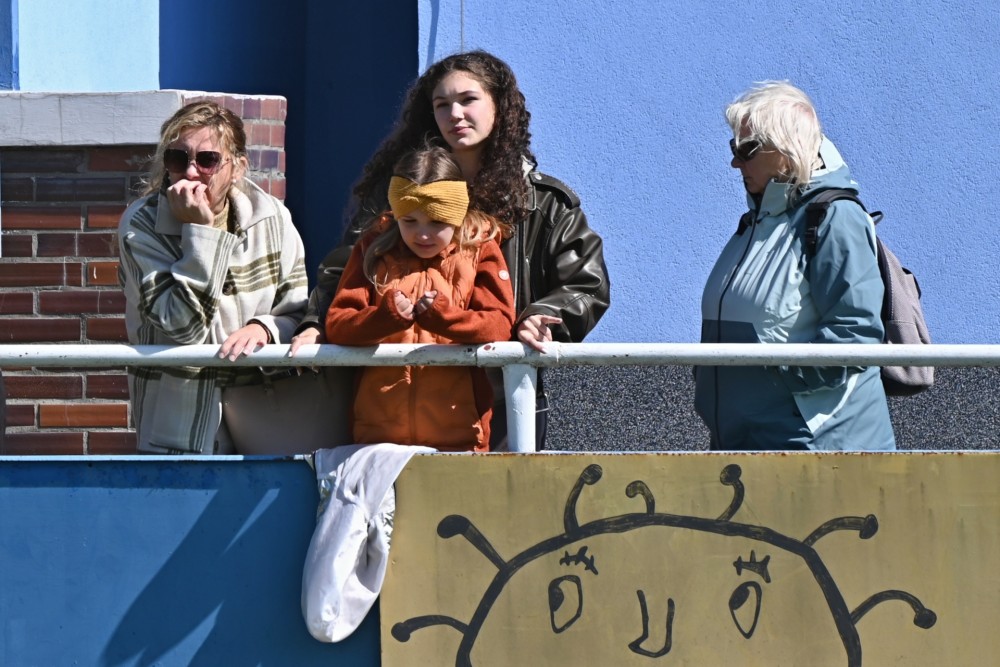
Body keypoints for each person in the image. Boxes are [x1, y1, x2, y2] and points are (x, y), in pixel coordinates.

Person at [291, 50, 611, 449]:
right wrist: (314, 322)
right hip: (391, 403)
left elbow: (587, 283)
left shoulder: (543, 202)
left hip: (505, 394)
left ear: (499, 106)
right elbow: (342, 272)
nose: (455, 114)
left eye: (468, 99)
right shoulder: (398, 192)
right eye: (442, 104)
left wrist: (543, 315)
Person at [694, 81, 895, 451]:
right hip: (751, 439)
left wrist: (777, 381)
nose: (735, 161)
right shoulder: (758, 221)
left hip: (817, 445)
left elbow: (856, 332)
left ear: (785, 148)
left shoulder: (834, 217)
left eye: (747, 149)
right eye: (733, 148)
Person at [118, 101, 308, 454]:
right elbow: (183, 327)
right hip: (179, 424)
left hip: (262, 417)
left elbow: (299, 311)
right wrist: (201, 232)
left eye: (207, 160)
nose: (191, 172)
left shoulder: (272, 218)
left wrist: (265, 328)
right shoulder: (141, 225)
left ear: (237, 168)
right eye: (178, 159)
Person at [326, 146, 515, 451]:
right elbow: (338, 323)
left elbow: (499, 323)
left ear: (457, 214)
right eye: (409, 221)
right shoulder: (374, 247)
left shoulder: (479, 249)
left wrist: (444, 318)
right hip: (377, 439)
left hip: (461, 439)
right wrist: (384, 318)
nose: (422, 235)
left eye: (437, 222)